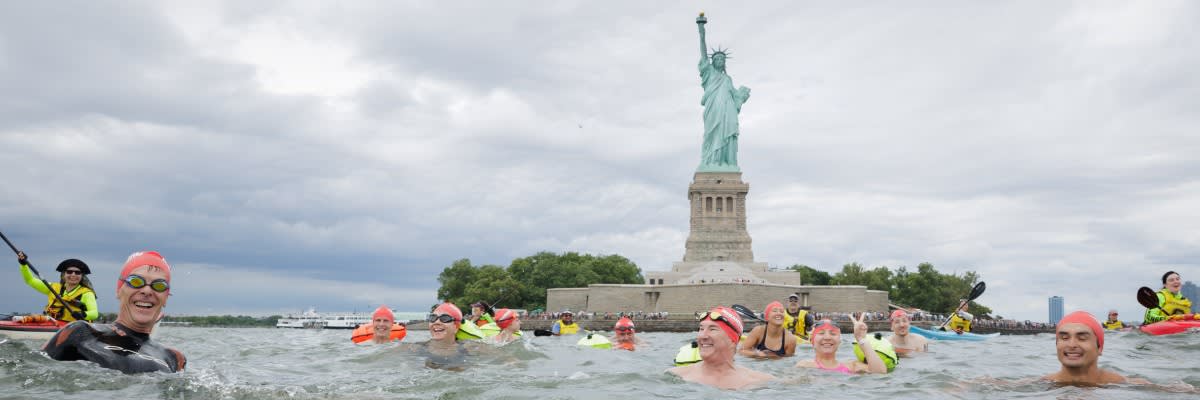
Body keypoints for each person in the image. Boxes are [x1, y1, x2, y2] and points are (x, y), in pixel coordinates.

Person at [42, 251, 186, 373]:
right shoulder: (80, 333)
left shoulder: (174, 358)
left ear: (166, 297)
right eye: (136, 281)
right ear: (119, 290)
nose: (147, 291)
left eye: (159, 285)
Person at [695, 12, 751, 170]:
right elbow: (703, 53)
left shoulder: (728, 79)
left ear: (724, 62)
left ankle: (725, 163)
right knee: (712, 135)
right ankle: (711, 162)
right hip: (713, 110)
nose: (720, 61)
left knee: (725, 134)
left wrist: (742, 96)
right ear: (713, 62)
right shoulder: (709, 73)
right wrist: (701, 32)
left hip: (727, 112)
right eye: (717, 59)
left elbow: (736, 97)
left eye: (722, 59)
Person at [668, 306, 773, 390]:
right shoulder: (676, 375)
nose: (702, 336)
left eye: (712, 329)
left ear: (732, 340)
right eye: (701, 329)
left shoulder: (758, 381)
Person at [1044, 311, 1148, 385]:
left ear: (1100, 348)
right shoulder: (1041, 384)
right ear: (1056, 345)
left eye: (1082, 338)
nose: (1071, 345)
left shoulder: (1129, 385)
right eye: (1064, 338)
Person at [16, 251, 98, 322]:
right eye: (69, 272)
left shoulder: (87, 293)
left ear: (82, 276)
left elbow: (94, 313)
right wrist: (24, 265)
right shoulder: (52, 287)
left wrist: (83, 314)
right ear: (63, 275)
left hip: (74, 327)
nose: (73, 275)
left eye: (77, 272)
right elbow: (30, 280)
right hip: (52, 324)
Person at [795, 313, 887, 374]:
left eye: (833, 333)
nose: (827, 337)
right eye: (821, 333)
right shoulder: (804, 366)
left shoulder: (852, 367)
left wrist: (861, 339)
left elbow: (880, 373)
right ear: (812, 341)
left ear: (839, 341)